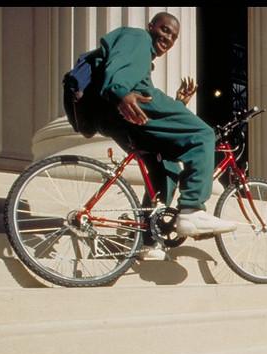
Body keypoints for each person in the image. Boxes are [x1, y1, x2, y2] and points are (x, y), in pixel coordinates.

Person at [91, 12, 237, 260]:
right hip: (124, 100)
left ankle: (149, 241)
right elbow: (118, 68)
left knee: (166, 166)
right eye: (165, 29)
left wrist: (179, 103)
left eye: (174, 36)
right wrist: (120, 92)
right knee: (202, 134)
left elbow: (133, 80)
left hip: (112, 115)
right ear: (151, 26)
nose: (168, 38)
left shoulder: (144, 60)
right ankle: (191, 211)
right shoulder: (137, 37)